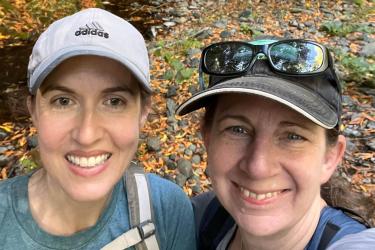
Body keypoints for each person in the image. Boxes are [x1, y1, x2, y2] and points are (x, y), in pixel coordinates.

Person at [0, 8, 196, 249]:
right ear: (33, 111)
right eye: (63, 101)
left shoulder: (168, 210)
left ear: (143, 112)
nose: (86, 135)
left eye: (114, 101)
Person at [176, 38, 368, 249]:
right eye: (237, 130)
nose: (258, 168)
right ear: (208, 138)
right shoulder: (200, 218)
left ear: (330, 158)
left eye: (293, 136)